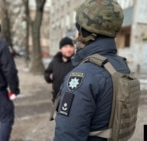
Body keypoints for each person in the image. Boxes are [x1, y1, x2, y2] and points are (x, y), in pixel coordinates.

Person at [53, 1, 130, 141]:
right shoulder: (120, 66)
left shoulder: (83, 76)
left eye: (78, 29)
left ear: (84, 31)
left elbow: (68, 136)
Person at [44, 37, 75, 103]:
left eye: (71, 46)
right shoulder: (55, 61)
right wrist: (50, 76)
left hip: (72, 99)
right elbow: (46, 73)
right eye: (66, 47)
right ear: (61, 49)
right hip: (57, 99)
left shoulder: (76, 62)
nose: (69, 49)